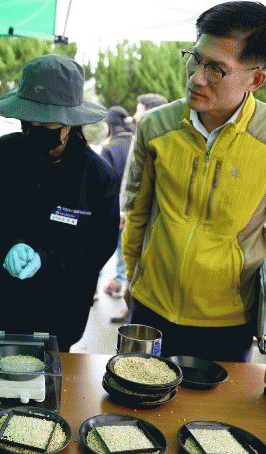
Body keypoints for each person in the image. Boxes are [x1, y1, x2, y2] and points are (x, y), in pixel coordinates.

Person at [121, 1, 266, 361]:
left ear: (255, 80)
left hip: (227, 324)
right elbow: (137, 213)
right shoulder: (156, 126)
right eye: (195, 59)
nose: (196, 77)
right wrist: (134, 280)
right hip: (150, 307)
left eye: (215, 69)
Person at [0, 54, 120, 352]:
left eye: (47, 123)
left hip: (60, 311)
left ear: (71, 123)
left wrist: (47, 260)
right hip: (0, 303)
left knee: (50, 374)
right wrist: (3, 245)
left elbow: (99, 247)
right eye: (29, 121)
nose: (35, 128)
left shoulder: (99, 177)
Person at [108, 94, 168, 324]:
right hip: (135, 213)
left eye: (139, 109)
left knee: (142, 263)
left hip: (149, 218)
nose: (134, 116)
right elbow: (130, 178)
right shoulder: (140, 135)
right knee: (131, 260)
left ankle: (135, 312)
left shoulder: (160, 139)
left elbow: (139, 181)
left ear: (152, 112)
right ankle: (130, 309)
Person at [99, 106, 134, 302]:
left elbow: (102, 182)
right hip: (131, 207)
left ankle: (92, 288)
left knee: (99, 246)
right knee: (123, 247)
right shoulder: (135, 142)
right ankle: (119, 282)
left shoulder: (110, 147)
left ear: (110, 125)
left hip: (111, 206)